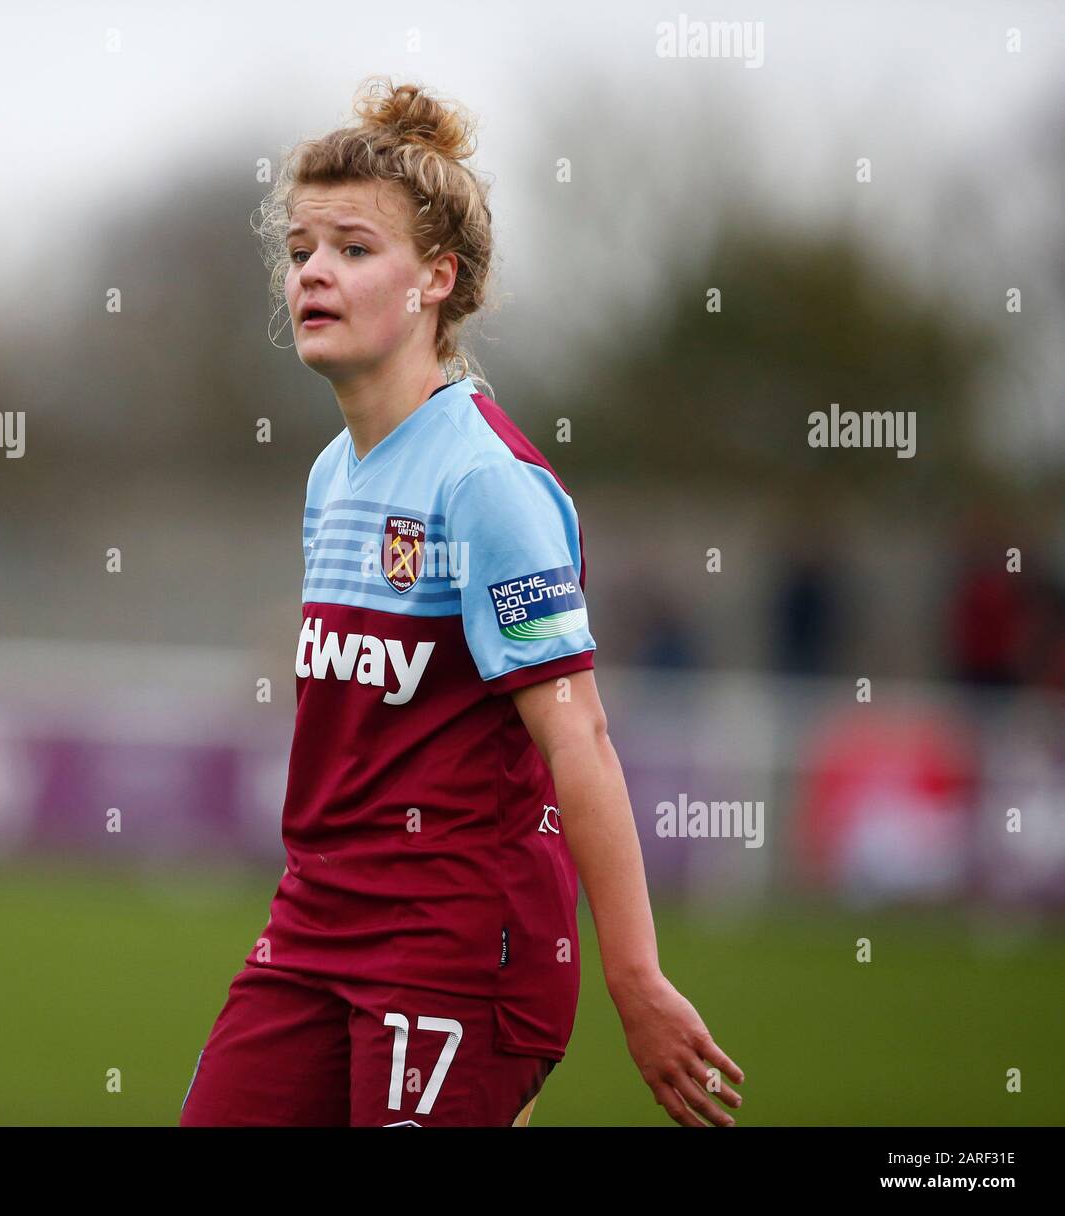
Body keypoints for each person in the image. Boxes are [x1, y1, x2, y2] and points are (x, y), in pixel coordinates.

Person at [179, 75, 743, 1127]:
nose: (313, 271)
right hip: (311, 927)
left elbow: (580, 743)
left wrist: (634, 977)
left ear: (436, 278)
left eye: (353, 248)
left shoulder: (484, 483)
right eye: (300, 248)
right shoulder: (330, 476)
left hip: (449, 938)